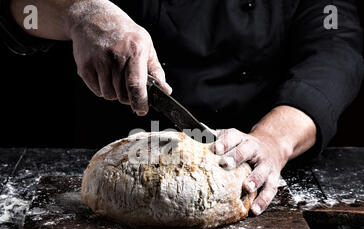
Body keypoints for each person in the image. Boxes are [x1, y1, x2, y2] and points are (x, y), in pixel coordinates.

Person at [1, 0, 363, 215]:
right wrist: (78, 11)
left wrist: (274, 139)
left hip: (244, 160)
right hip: (113, 159)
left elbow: (335, 49)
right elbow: (19, 9)